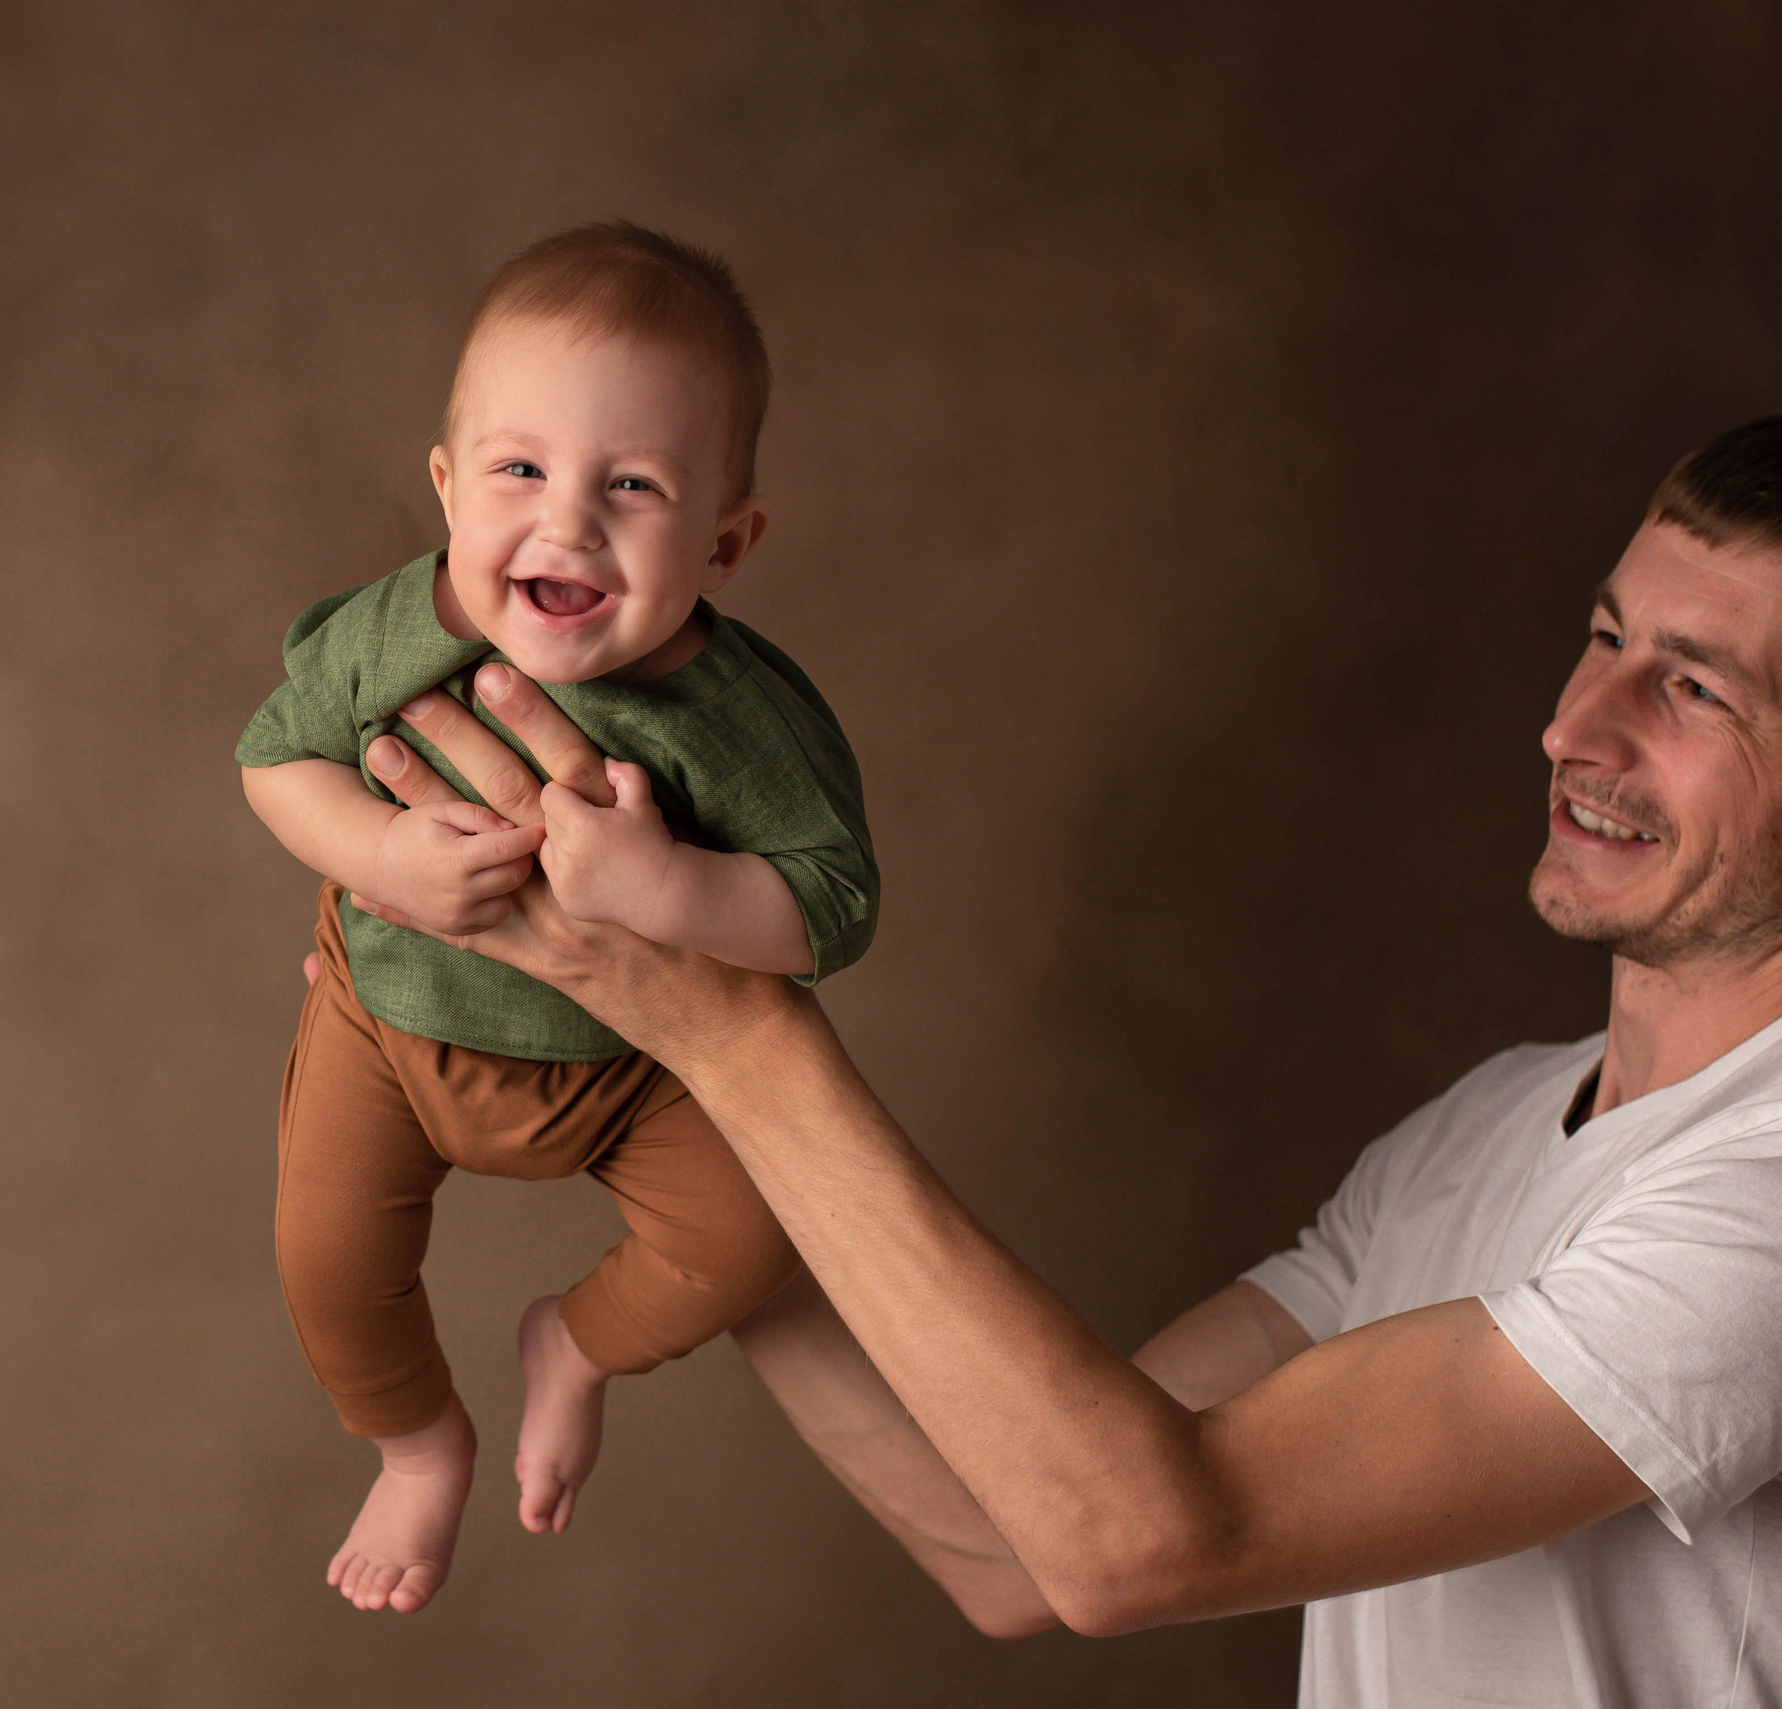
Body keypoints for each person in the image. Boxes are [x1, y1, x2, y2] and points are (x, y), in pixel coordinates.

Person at [337, 416, 1782, 1704]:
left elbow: (1140, 1541)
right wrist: (662, 1094)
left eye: (1696, 691)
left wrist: (723, 1024)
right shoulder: (1483, 1130)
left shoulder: (1762, 1199)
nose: (1574, 726)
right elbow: (1014, 1537)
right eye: (1606, 641)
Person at [236, 223, 879, 1613]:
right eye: (519, 469)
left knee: (755, 1238)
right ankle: (419, 1445)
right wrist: (383, 857)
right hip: (392, 1026)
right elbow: (273, 757)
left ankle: (574, 1347)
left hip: (631, 1073)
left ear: (728, 536)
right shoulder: (397, 629)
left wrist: (670, 890)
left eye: (633, 485)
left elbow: (834, 904)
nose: (568, 520)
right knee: (325, 1259)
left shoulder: (737, 715)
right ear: (447, 485)